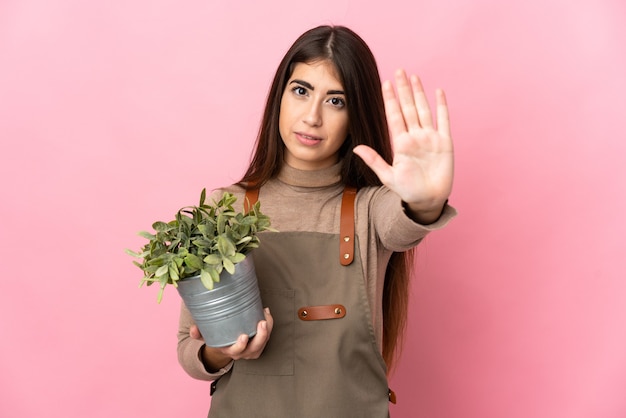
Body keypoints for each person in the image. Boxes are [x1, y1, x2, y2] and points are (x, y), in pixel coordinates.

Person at [177, 24, 456, 417]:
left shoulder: (370, 209)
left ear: (355, 114)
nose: (312, 116)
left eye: (336, 101)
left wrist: (425, 201)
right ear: (280, 96)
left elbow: (405, 223)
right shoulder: (225, 208)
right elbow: (188, 350)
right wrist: (218, 352)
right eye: (301, 90)